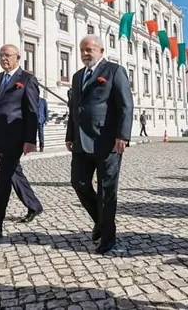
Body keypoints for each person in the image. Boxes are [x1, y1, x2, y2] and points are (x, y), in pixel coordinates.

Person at [66, 35, 134, 254]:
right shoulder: (77, 77)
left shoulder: (114, 71)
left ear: (101, 50)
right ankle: (101, 222)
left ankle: (108, 237)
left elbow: (125, 105)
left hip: (108, 142)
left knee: (107, 190)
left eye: (90, 49)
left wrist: (122, 135)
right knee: (79, 183)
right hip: (81, 141)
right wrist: (70, 134)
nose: (86, 53)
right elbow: (74, 108)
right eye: (82, 50)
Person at [0, 44, 43, 246]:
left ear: (18, 57)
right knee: (13, 173)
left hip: (15, 137)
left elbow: (33, 111)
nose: (4, 58)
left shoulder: (27, 79)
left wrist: (30, 140)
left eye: (8, 55)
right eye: (1, 55)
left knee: (2, 182)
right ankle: (34, 205)